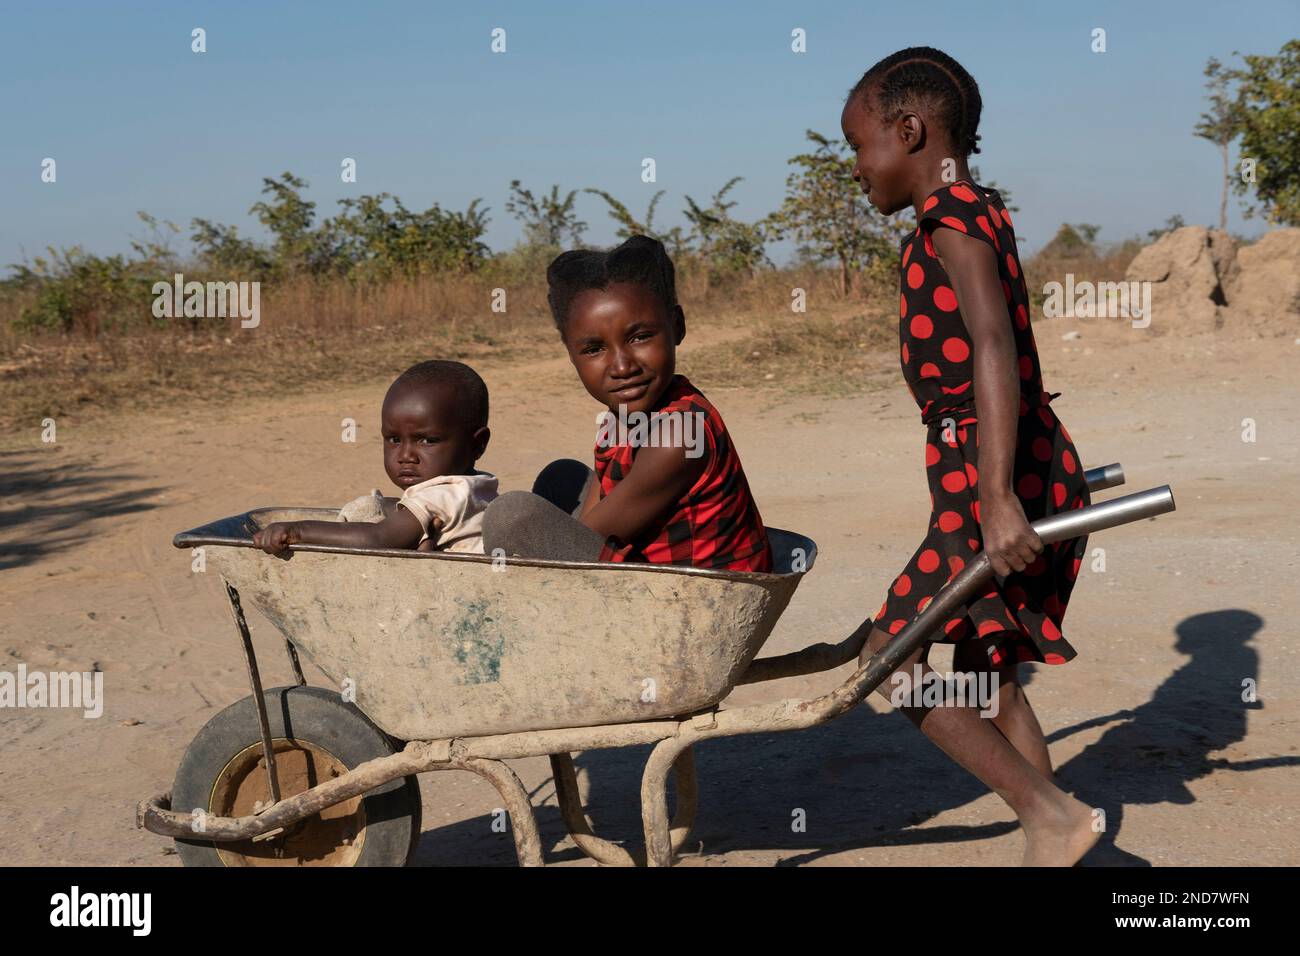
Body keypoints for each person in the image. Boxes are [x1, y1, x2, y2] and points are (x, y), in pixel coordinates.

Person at [840, 47, 1096, 865]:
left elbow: (992, 342)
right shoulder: (974, 210)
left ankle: (1050, 814)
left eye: (858, 145)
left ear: (909, 131)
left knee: (890, 655)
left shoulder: (950, 220)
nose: (855, 168)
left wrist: (994, 499)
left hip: (991, 476)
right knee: (990, 672)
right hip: (1010, 465)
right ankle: (1052, 838)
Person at [483, 235, 773, 572]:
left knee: (512, 517)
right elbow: (596, 509)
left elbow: (589, 535)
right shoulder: (621, 416)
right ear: (571, 354)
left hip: (695, 595)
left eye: (640, 337)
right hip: (651, 569)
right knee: (562, 477)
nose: (623, 367)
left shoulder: (679, 437)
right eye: (594, 349)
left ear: (676, 327)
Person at [252, 360, 497, 555]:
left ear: (477, 444)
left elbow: (377, 539)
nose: (405, 455)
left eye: (427, 440)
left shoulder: (439, 496)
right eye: (394, 439)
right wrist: (391, 505)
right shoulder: (476, 487)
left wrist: (297, 531)